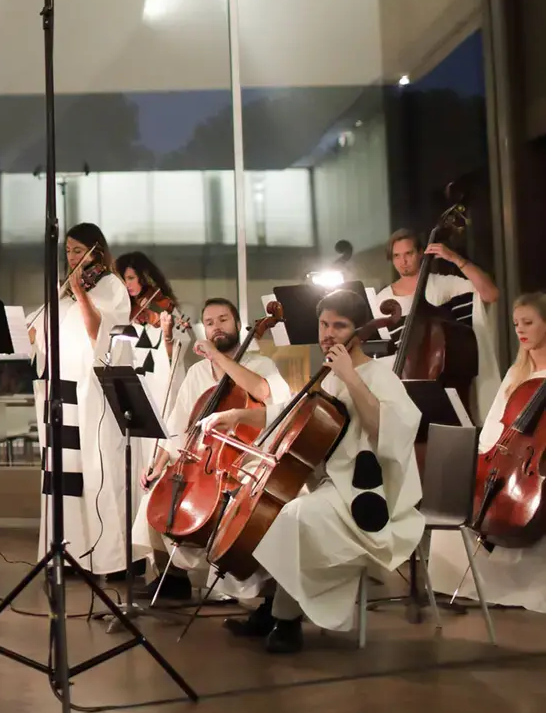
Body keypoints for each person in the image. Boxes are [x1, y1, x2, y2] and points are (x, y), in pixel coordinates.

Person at [207, 289, 423, 653]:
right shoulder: (327, 376)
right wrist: (238, 415)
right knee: (271, 512)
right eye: (324, 324)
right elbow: (293, 415)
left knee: (292, 517)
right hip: (332, 485)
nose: (328, 333)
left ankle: (285, 620)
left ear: (358, 330)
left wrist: (352, 378)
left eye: (339, 326)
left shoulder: (381, 377)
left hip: (368, 497)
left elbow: (385, 433)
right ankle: (275, 610)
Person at [131, 298, 290, 602]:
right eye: (210, 322)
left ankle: (260, 591)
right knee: (157, 494)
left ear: (236, 324)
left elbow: (264, 392)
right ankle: (173, 580)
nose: (217, 327)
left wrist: (217, 356)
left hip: (248, 460)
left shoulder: (259, 363)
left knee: (240, 509)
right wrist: (158, 463)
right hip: (208, 461)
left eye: (223, 320)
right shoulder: (197, 374)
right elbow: (179, 425)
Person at [429, 292, 546, 612]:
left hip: (535, 468)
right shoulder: (516, 373)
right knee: (455, 496)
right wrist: (483, 457)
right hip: (504, 456)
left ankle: (520, 591)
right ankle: (457, 583)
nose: (520, 330)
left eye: (528, 322)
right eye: (516, 324)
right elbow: (497, 419)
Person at [28, 223, 131, 578]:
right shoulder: (65, 290)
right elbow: (35, 328)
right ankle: (67, 552)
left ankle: (107, 558)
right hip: (60, 390)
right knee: (63, 477)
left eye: (77, 250)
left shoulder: (110, 285)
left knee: (95, 472)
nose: (71, 257)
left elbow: (100, 333)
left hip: (91, 392)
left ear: (96, 251)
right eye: (68, 251)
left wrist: (80, 294)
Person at [377, 227, 501, 419]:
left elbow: (490, 293)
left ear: (421, 253)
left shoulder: (442, 284)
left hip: (443, 381)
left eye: (408, 253)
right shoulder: (382, 298)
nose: (403, 261)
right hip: (402, 384)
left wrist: (455, 259)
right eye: (396, 256)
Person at [114, 251, 194, 493]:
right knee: (137, 452)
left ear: (144, 278)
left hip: (162, 388)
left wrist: (168, 335)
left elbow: (176, 353)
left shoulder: (164, 309)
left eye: (130, 278)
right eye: (123, 279)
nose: (127, 285)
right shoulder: (125, 312)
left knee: (161, 445)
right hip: (138, 388)